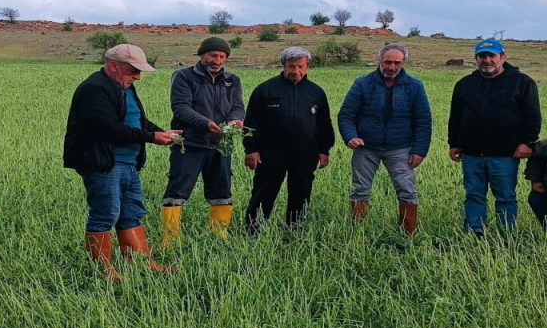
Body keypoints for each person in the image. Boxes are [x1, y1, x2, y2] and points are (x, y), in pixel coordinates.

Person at [63, 44, 180, 282]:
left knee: (131, 213)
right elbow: (107, 128)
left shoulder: (124, 87)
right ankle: (102, 270)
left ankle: (141, 263)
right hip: (104, 163)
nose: (137, 77)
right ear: (114, 65)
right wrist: (151, 137)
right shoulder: (94, 89)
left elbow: (138, 121)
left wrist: (161, 132)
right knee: (105, 214)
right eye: (133, 71)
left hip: (128, 163)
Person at [447, 38, 541, 236]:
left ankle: (506, 236)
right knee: (473, 195)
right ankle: (474, 233)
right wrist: (454, 143)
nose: (487, 60)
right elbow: (455, 117)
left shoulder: (522, 83)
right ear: (476, 58)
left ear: (503, 57)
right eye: (482, 56)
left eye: (492, 55)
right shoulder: (465, 84)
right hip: (472, 153)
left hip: (505, 154)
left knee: (505, 197)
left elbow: (532, 117)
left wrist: (527, 143)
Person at [337, 43, 432, 235]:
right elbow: (346, 115)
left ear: (403, 63)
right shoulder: (362, 84)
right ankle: (357, 233)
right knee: (360, 189)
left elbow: (423, 121)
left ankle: (408, 234)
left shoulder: (415, 86)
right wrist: (350, 136)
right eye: (388, 62)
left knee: (407, 190)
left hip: (400, 148)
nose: (392, 67)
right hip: (366, 147)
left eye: (397, 63)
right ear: (379, 60)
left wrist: (419, 150)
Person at [161, 36, 246, 245]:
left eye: (222, 56)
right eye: (213, 55)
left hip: (221, 145)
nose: (217, 60)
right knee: (177, 192)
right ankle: (169, 241)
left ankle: (219, 237)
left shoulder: (232, 80)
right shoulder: (184, 76)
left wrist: (235, 120)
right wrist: (206, 123)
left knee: (221, 191)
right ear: (201, 55)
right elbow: (181, 107)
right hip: (189, 144)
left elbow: (238, 106)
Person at [242, 46, 335, 232]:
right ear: (283, 65)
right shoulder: (265, 90)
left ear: (307, 66)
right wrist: (251, 149)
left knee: (301, 191)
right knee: (264, 190)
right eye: (291, 66)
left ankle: (295, 228)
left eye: (301, 66)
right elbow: (251, 123)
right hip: (271, 152)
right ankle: (254, 229)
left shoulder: (316, 92)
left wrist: (324, 150)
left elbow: (324, 124)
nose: (296, 71)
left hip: (305, 153)